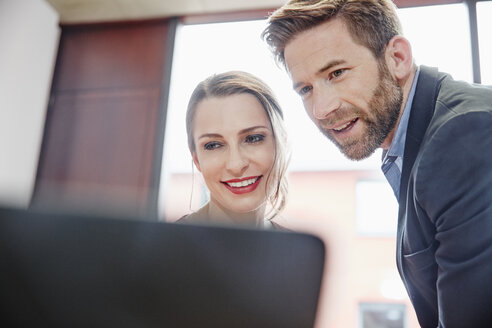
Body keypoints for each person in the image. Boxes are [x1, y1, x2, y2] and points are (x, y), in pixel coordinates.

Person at [262, 0, 492, 326]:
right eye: (306, 89)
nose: (322, 109)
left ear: (397, 58)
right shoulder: (418, 137)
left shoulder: (461, 136)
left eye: (337, 73)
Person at [177, 71, 290, 230]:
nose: (236, 165)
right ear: (196, 159)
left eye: (253, 138)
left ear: (281, 144)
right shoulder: (159, 249)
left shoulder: (299, 250)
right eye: (214, 145)